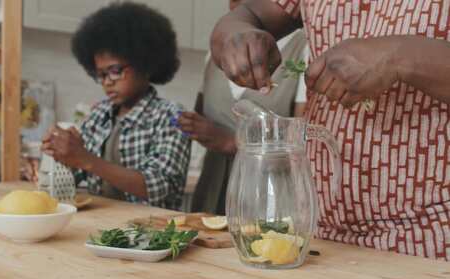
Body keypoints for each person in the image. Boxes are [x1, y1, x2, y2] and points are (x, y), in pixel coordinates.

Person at [211, 0, 450, 260]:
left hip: (430, 239)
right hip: (319, 235)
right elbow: (248, 14)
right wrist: (235, 35)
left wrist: (400, 56)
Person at [41, 2, 190, 210]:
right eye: (100, 74)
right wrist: (57, 160)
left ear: (145, 64)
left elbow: (160, 186)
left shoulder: (172, 117)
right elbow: (74, 175)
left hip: (152, 232)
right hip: (102, 226)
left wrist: (86, 159)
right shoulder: (98, 115)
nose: (107, 81)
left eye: (115, 70)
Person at [175, 0, 307, 215]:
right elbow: (200, 115)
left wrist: (229, 142)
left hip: (269, 196)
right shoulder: (218, 52)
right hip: (212, 185)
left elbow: (303, 147)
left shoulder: (303, 51)